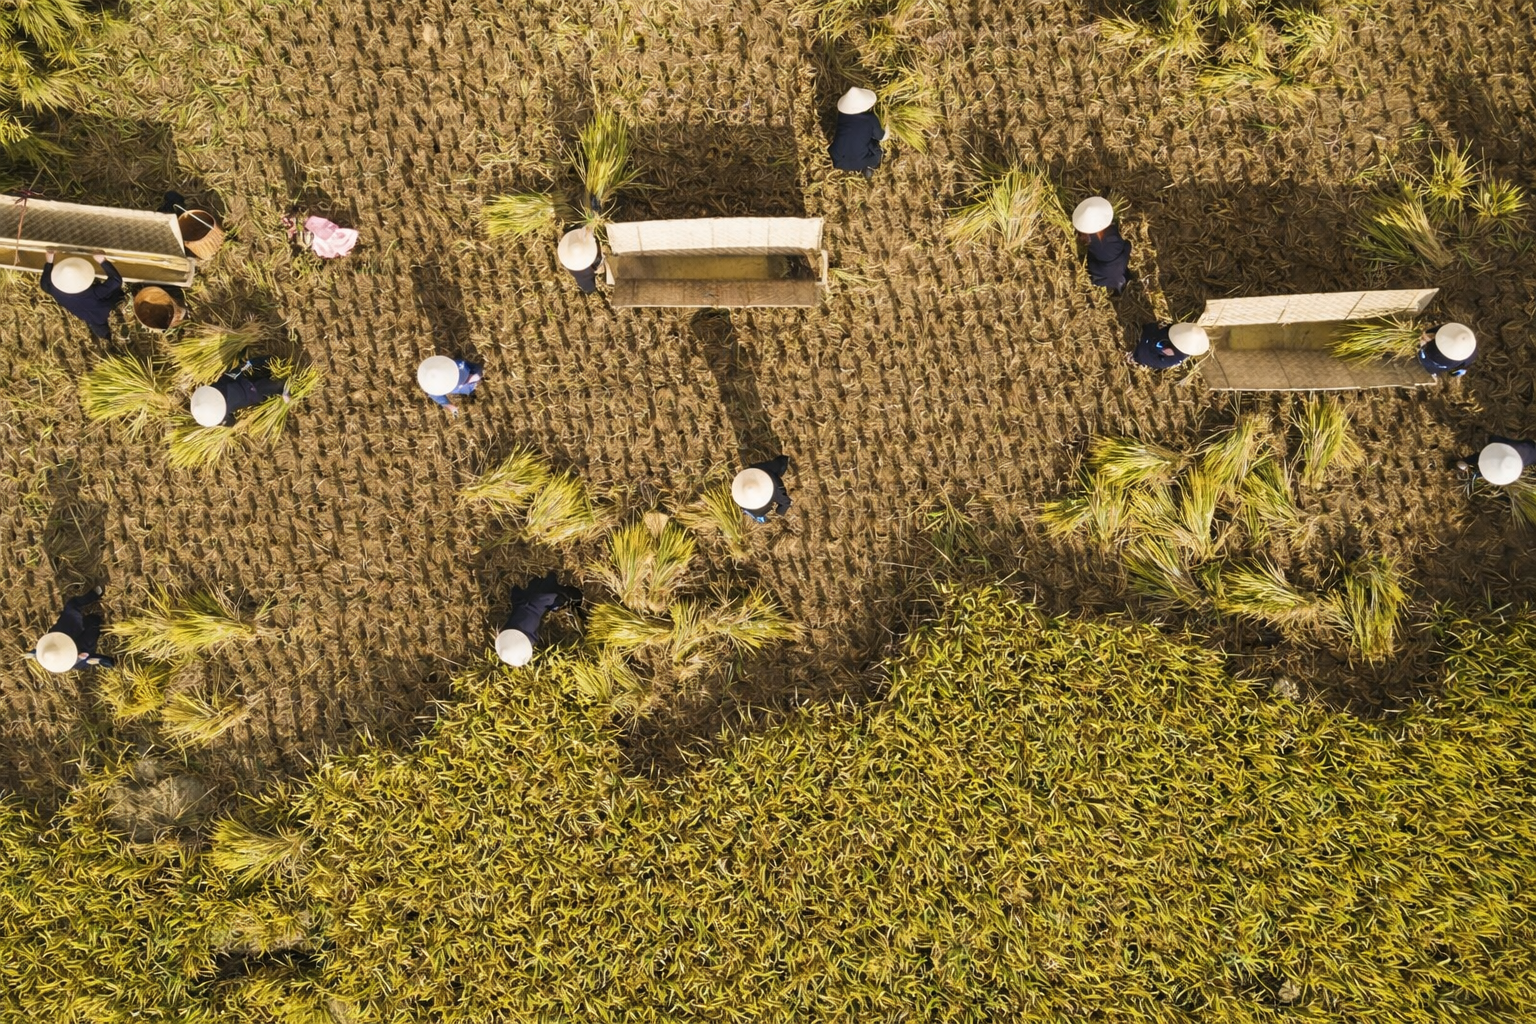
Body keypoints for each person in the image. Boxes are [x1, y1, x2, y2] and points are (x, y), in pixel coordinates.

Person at [496, 573, 584, 667]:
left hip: (545, 595)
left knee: (570, 596)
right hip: (531, 597)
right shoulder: (510, 628)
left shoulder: (528, 633)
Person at [40, 252, 125, 340]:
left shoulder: (100, 308)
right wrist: (49, 261)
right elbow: (44, 286)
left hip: (91, 295)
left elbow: (116, 280)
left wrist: (102, 260)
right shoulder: (55, 291)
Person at [28, 586, 114, 673]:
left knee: (72, 606)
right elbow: (108, 662)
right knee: (94, 620)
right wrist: (100, 660)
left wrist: (34, 653)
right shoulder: (77, 662)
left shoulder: (55, 636)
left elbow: (39, 652)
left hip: (67, 631)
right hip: (82, 643)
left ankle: (93, 595)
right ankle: (89, 622)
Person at [191, 356, 289, 428]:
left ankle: (282, 388)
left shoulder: (222, 415)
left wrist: (246, 365)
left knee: (269, 387)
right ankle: (271, 373)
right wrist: (244, 365)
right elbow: (229, 376)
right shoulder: (215, 389)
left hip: (249, 394)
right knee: (260, 382)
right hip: (241, 382)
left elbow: (231, 422)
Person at [1073, 196, 1131, 296]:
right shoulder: (1113, 236)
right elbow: (1126, 246)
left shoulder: (1091, 241)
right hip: (1111, 269)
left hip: (1100, 275)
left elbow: (1091, 260)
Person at [828, 87, 885, 179]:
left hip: (838, 159)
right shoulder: (871, 118)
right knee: (877, 149)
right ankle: (868, 167)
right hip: (859, 162)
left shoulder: (842, 115)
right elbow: (880, 136)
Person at [732, 456, 792, 523]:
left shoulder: (775, 489)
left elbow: (786, 503)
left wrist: (779, 513)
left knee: (782, 463)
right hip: (760, 465)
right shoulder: (751, 472)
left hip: (773, 467)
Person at [417, 355, 483, 415]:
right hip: (463, 380)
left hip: (465, 378)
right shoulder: (434, 390)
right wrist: (450, 406)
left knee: (476, 374)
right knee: (476, 374)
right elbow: (440, 399)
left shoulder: (460, 366)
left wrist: (473, 377)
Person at [1457, 437, 1536, 485]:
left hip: (1509, 449)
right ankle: (1472, 474)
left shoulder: (1530, 446)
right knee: (1491, 465)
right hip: (1510, 455)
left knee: (1486, 457)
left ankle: (1466, 464)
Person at [1131, 322, 1209, 369]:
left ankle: (1134, 357)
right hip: (1159, 355)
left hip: (1151, 356)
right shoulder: (1184, 352)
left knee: (1144, 349)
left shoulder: (1171, 351)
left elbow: (1156, 347)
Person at [558, 227, 603, 293]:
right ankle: (589, 289)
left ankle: (589, 289)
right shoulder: (595, 260)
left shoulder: (569, 261)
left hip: (583, 276)